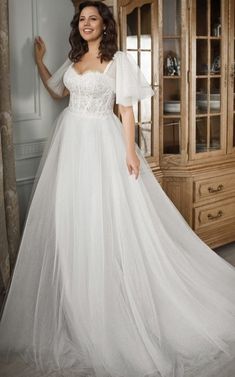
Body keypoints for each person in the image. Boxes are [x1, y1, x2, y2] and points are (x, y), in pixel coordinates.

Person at [0, 1, 235, 376]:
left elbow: (126, 112)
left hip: (102, 142)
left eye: (93, 18)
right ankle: (80, 299)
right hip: (70, 143)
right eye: (82, 19)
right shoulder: (73, 59)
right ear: (77, 26)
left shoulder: (118, 60)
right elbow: (58, 93)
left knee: (105, 218)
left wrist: (130, 152)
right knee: (73, 220)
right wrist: (39, 61)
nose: (87, 23)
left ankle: (110, 297)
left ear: (105, 25)